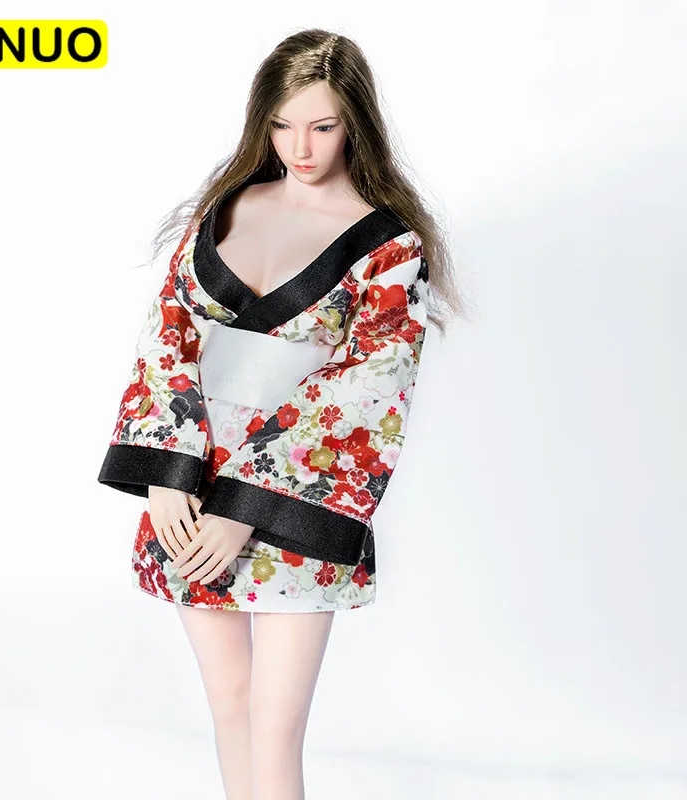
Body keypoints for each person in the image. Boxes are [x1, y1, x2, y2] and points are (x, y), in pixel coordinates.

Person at [98, 27, 462, 800]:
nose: (301, 147)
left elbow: (368, 387)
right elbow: (167, 334)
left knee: (275, 721)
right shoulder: (225, 209)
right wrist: (165, 473)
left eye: (323, 126)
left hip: (295, 498)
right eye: (283, 125)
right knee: (229, 703)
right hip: (190, 489)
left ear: (355, 122)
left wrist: (247, 506)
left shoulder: (390, 247)